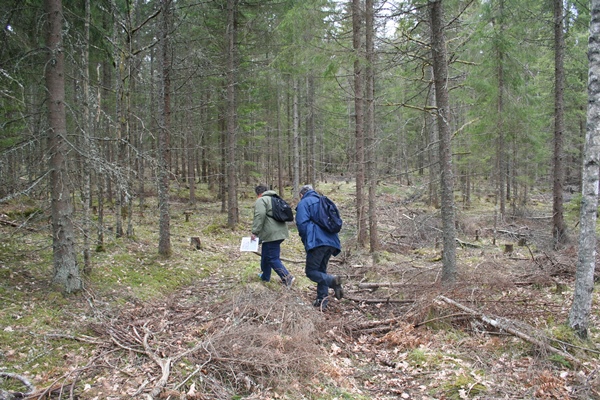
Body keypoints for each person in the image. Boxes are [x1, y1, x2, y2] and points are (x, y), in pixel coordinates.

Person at [295, 184, 343, 310]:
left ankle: (332, 280)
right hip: (331, 242)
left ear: (301, 194)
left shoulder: (304, 203)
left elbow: (301, 224)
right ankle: (322, 301)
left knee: (311, 272)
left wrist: (307, 240)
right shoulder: (322, 200)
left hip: (317, 242)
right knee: (321, 271)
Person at [251, 184, 295, 287]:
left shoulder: (261, 200)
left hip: (271, 233)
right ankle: (265, 277)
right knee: (266, 255)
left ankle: (287, 277)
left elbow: (260, 215)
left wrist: (255, 232)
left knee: (272, 258)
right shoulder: (274, 198)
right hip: (280, 232)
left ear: (258, 194)